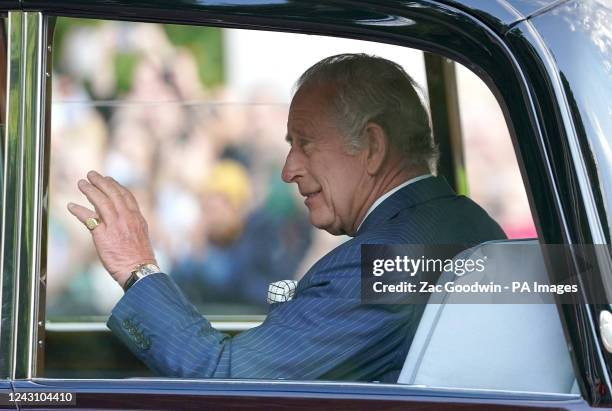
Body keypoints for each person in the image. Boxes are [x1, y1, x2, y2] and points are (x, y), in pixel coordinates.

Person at [67, 53, 506, 381]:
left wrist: (137, 268)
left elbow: (228, 381)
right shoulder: (472, 224)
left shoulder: (378, 265)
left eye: (306, 143)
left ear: (371, 147)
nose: (287, 169)